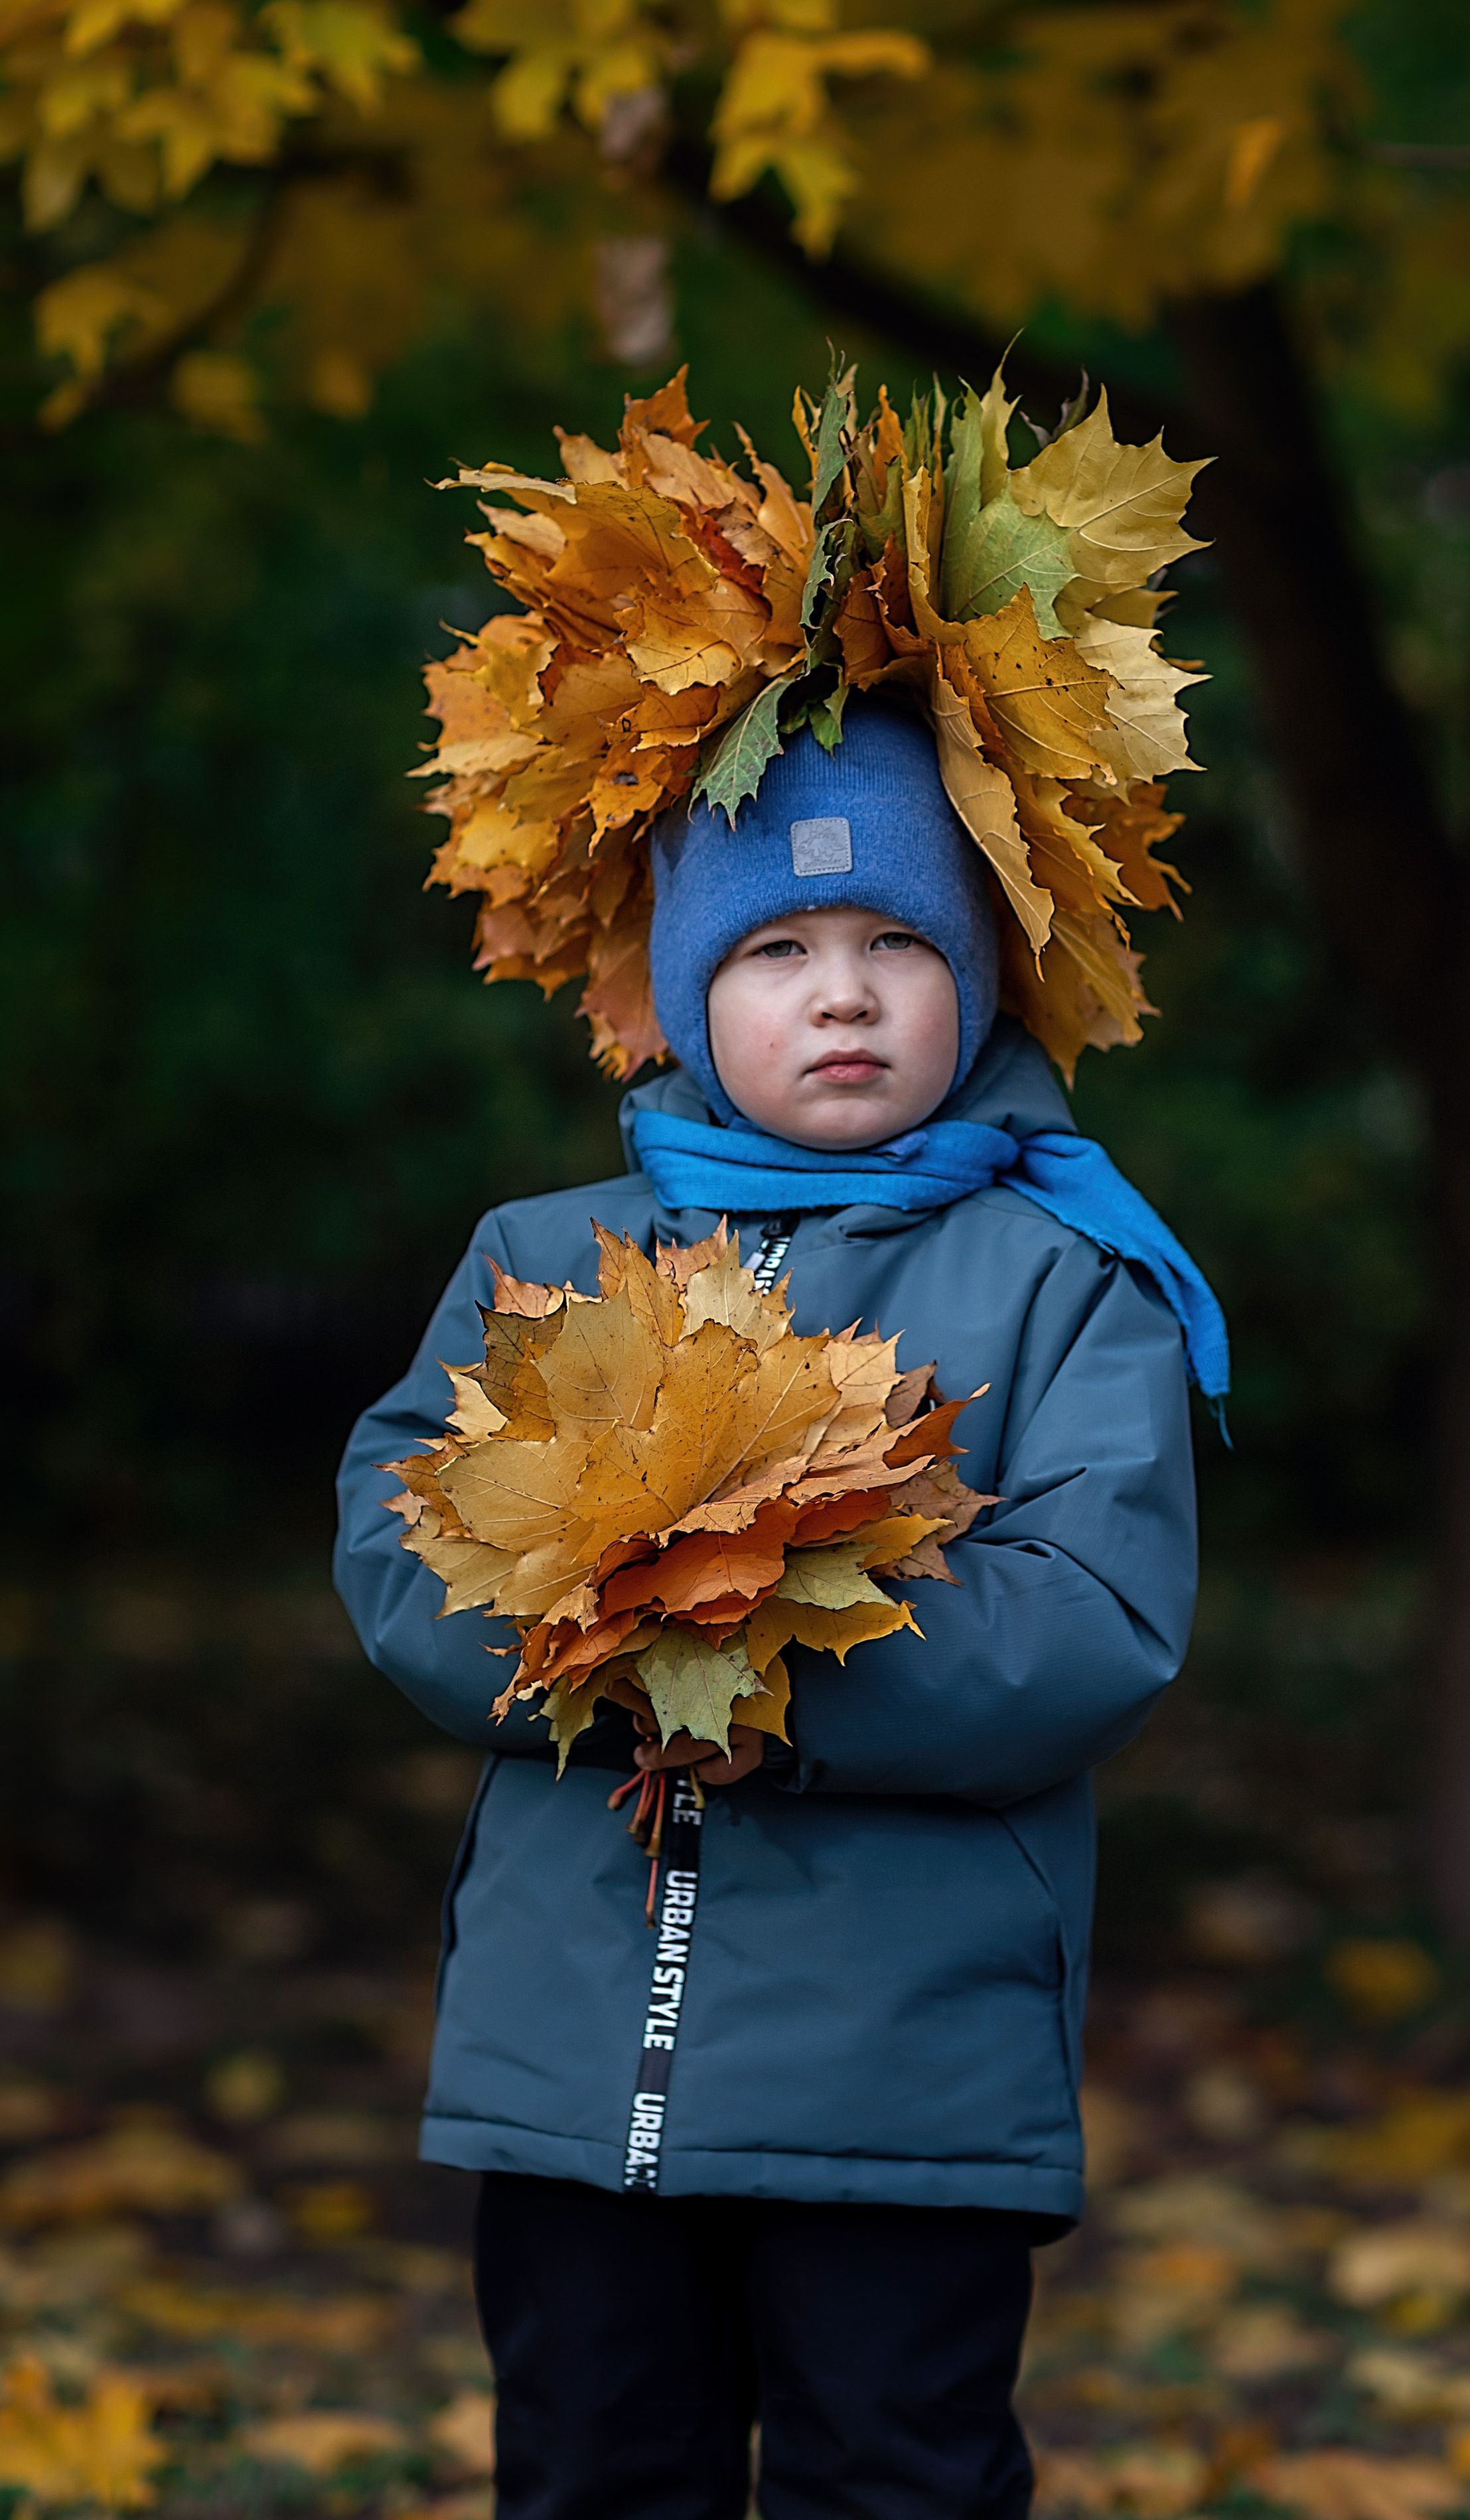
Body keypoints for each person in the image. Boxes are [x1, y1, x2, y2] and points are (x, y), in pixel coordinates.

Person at [334, 700, 1220, 2520]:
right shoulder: (542, 1260)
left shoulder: (1065, 1281)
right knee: (592, 2467)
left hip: (906, 2077)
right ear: (680, 993)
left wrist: (758, 1684)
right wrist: (607, 1653)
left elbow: (1088, 1618)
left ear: (979, 975)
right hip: (574, 2069)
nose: (844, 993)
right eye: (776, 949)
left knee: (896, 2471)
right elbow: (407, 1538)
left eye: (902, 942)